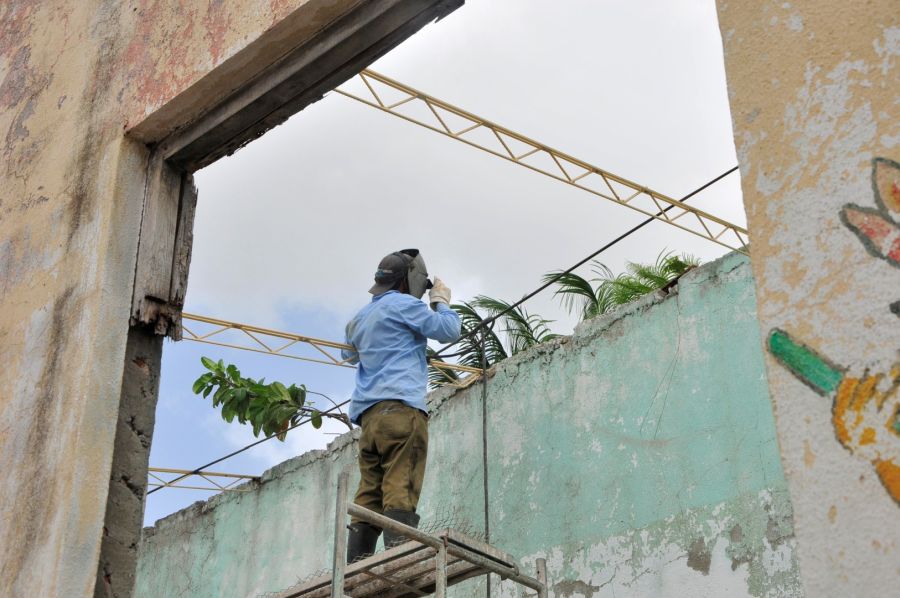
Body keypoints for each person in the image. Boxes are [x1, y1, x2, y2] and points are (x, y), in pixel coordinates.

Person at [341, 248, 461, 563]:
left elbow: (348, 355)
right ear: (409, 282)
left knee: (369, 492)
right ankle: (400, 561)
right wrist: (440, 301)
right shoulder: (405, 305)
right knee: (400, 481)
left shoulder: (359, 318)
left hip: (369, 420)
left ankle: (356, 568)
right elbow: (449, 331)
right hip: (401, 410)